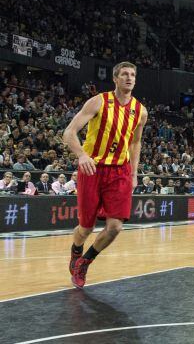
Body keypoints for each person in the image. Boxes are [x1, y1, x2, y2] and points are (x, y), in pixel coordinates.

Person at [62, 61, 147, 289]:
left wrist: (134, 172)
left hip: (120, 171)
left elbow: (136, 142)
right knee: (85, 228)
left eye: (132, 75)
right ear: (115, 79)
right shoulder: (99, 101)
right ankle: (76, 249)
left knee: (115, 227)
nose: (129, 78)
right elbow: (69, 132)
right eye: (124, 74)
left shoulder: (140, 111)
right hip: (92, 168)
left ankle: (85, 262)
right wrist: (81, 155)